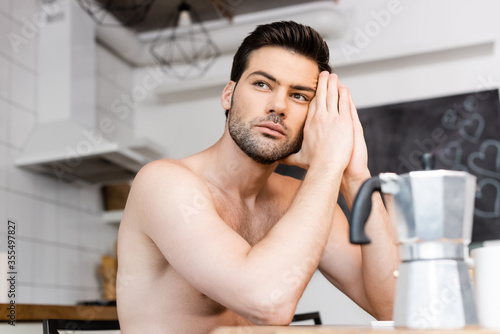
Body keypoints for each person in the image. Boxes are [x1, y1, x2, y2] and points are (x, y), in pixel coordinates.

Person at [116, 21, 398, 334]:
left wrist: (354, 176)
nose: (278, 106)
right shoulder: (163, 184)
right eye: (262, 84)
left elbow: (397, 307)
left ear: (313, 117)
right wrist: (326, 165)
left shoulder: (299, 198)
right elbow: (268, 302)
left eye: (300, 96)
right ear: (228, 94)